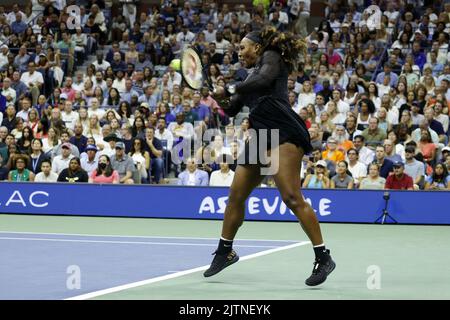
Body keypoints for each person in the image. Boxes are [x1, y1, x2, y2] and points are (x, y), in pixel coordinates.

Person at [204, 27, 335, 286]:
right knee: (235, 196)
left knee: (291, 196)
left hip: (283, 132)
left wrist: (230, 86)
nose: (239, 52)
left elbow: (263, 81)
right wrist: (219, 98)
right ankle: (225, 251)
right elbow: (232, 110)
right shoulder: (247, 77)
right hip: (261, 136)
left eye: (242, 47)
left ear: (257, 47)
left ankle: (323, 257)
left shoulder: (272, 56)